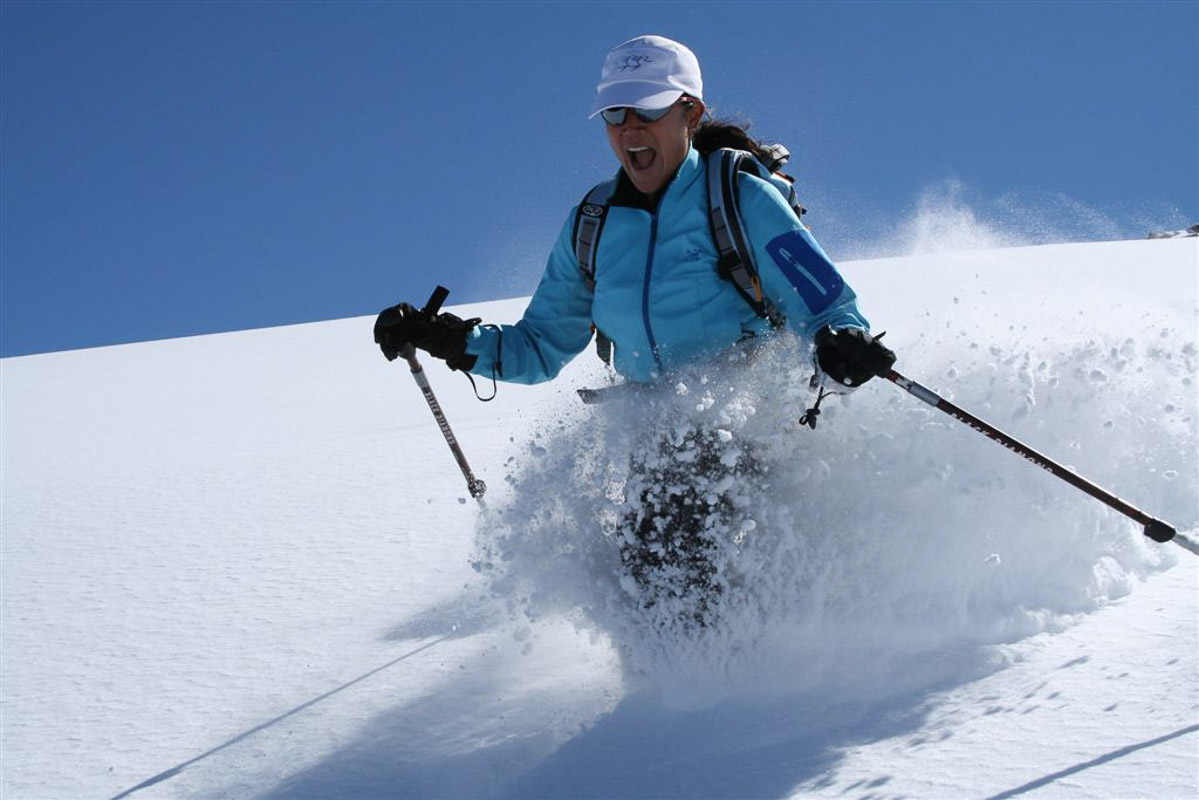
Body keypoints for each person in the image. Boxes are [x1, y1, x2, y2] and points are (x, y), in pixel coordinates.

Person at [374, 35, 895, 622]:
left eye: (647, 110)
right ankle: (695, 670)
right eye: (615, 114)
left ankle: (759, 659)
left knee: (688, 564)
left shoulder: (737, 196)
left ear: (690, 113)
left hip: (751, 420)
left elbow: (827, 305)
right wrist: (449, 339)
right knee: (651, 580)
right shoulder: (592, 224)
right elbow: (539, 347)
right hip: (658, 440)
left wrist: (841, 343)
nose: (629, 130)